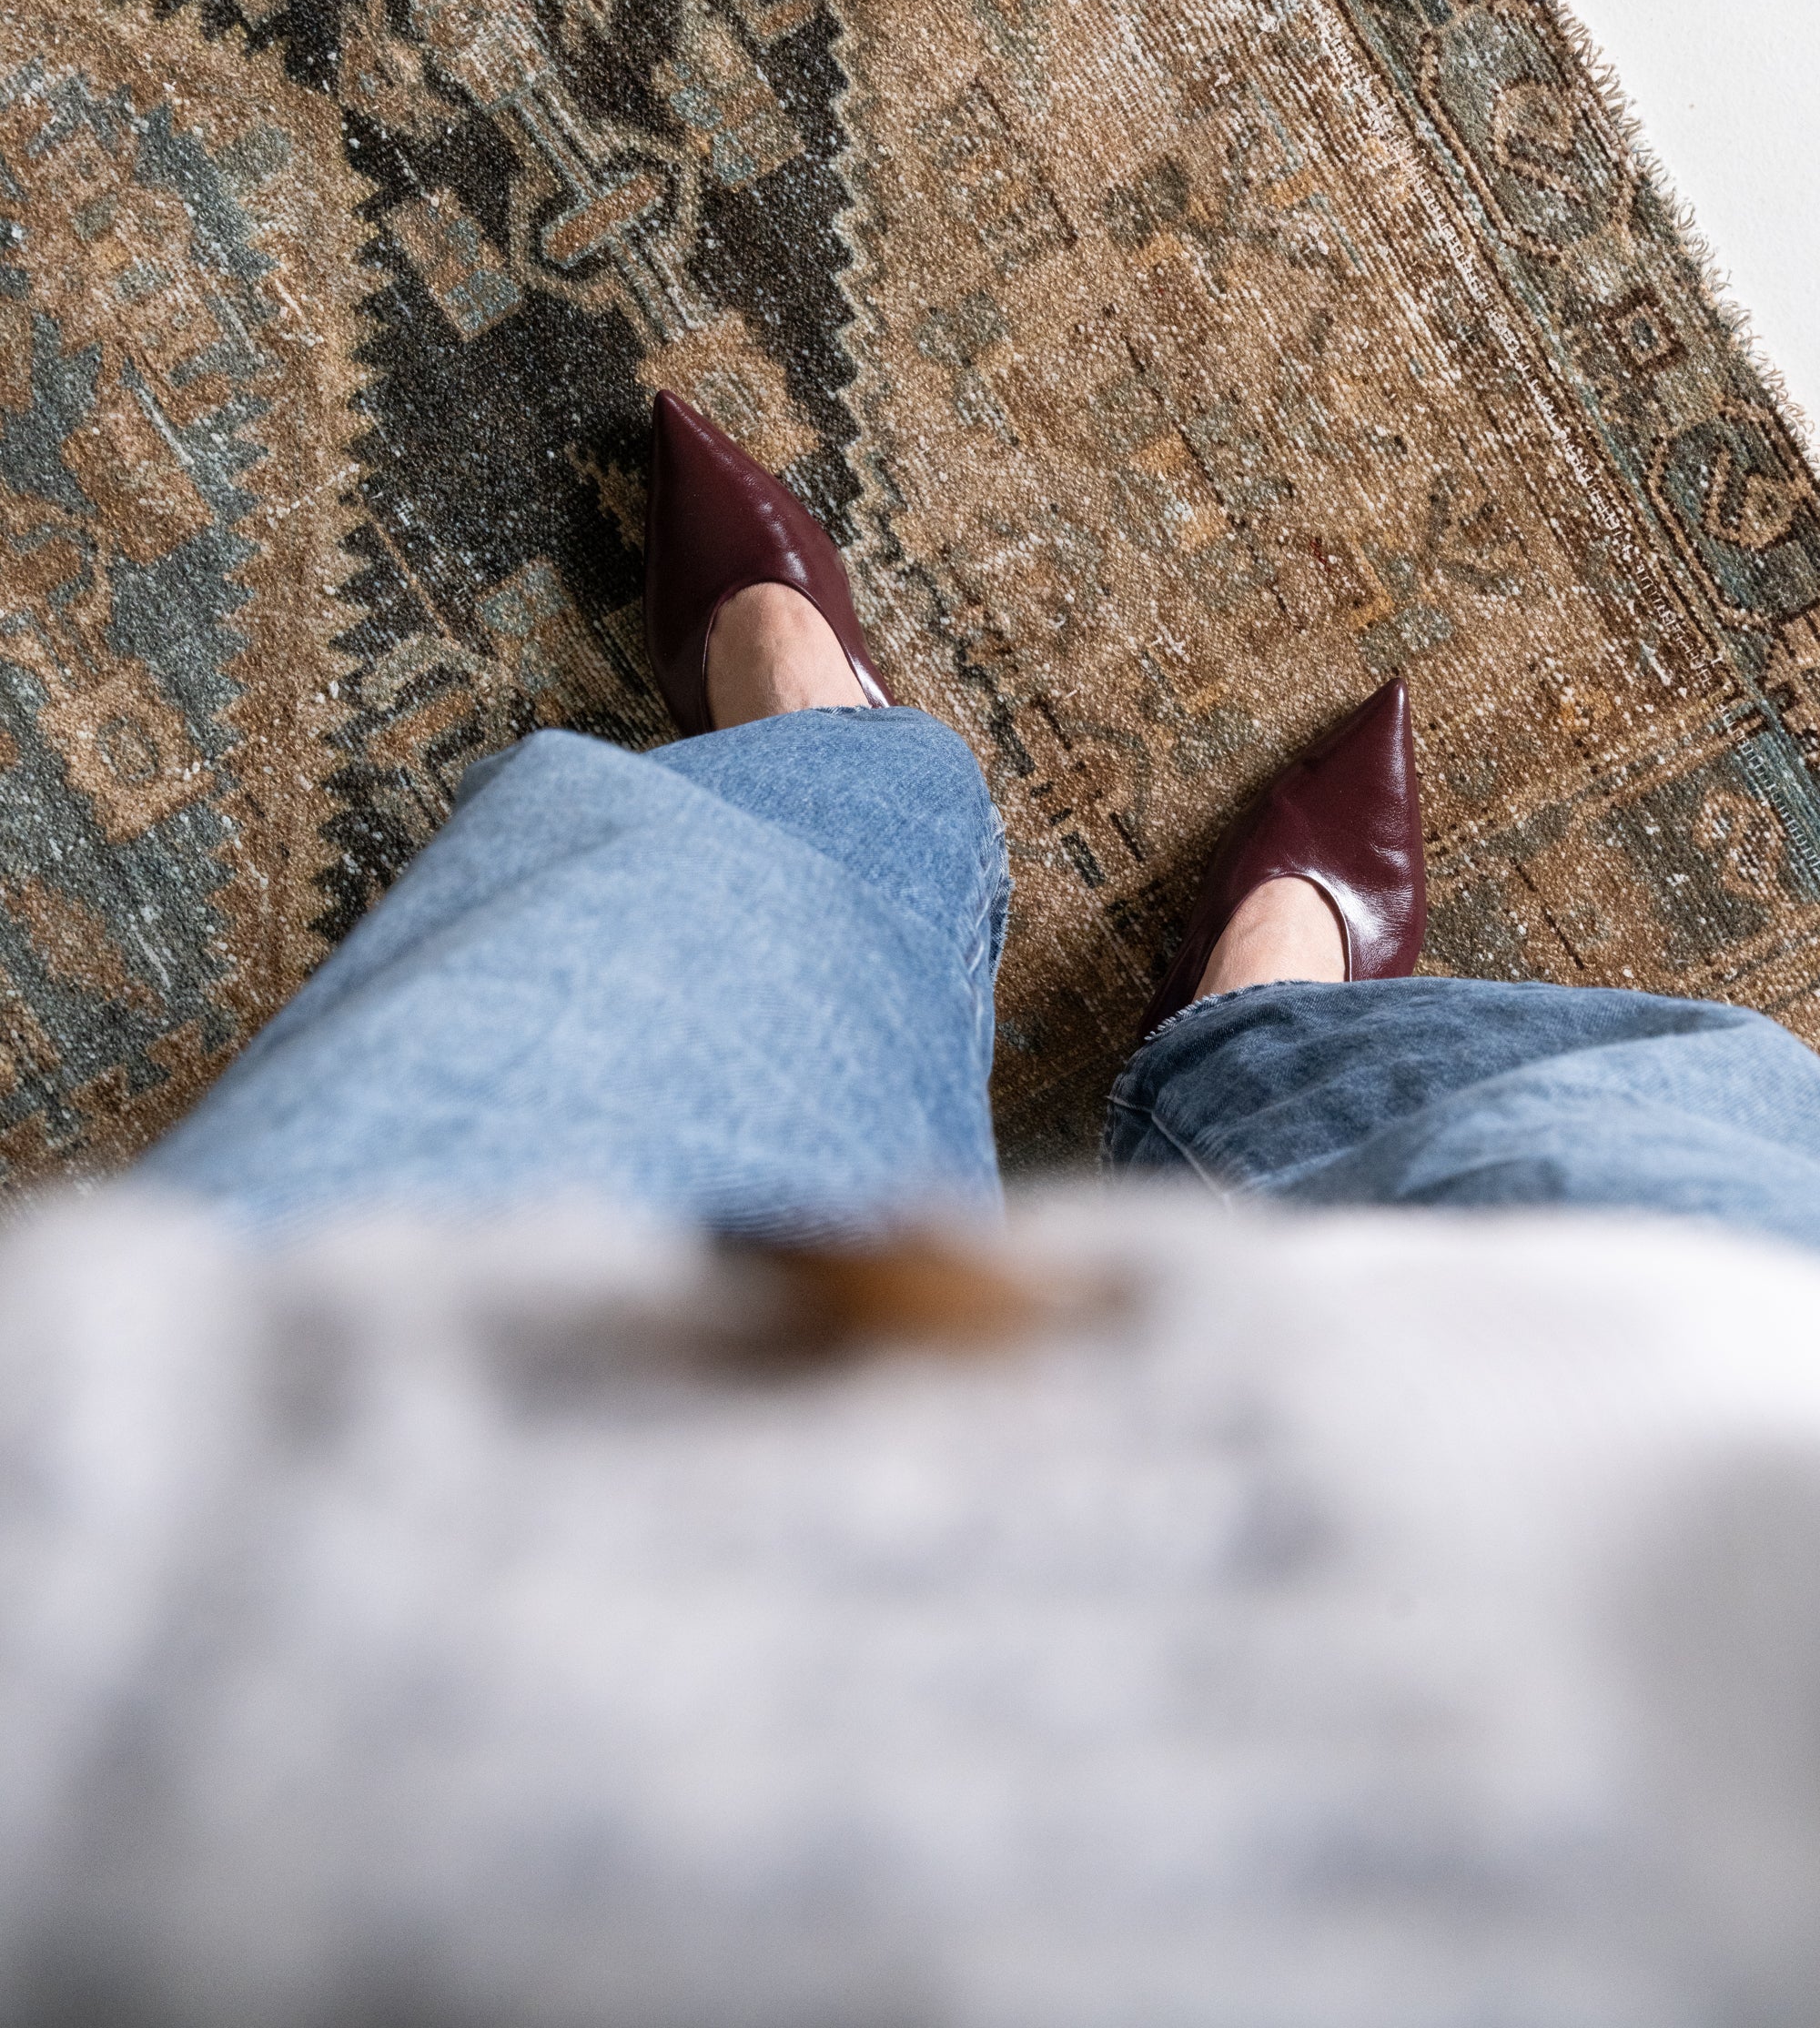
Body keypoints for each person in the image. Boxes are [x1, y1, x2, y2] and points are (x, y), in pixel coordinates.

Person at [6, 389, 1820, 2023]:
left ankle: (841, 771)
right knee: (1648, 1164)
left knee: (652, 991)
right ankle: (1254, 1047)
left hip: (299, 1735)